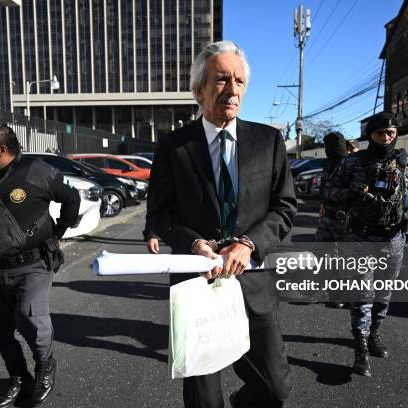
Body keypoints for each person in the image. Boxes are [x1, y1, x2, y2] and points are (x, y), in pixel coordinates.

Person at [146, 40, 297, 408]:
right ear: (199, 90)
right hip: (198, 284)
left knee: (275, 390)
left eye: (239, 81)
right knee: (203, 399)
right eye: (222, 80)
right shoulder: (173, 146)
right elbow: (159, 216)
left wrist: (248, 243)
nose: (232, 90)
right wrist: (193, 242)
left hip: (253, 282)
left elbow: (285, 206)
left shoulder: (268, 140)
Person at [324, 112, 408, 377]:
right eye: (379, 134)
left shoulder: (405, 163)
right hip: (359, 237)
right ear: (370, 135)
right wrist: (352, 193)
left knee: (384, 293)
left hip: (393, 239)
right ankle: (360, 349)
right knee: (362, 295)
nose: (386, 139)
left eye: (391, 133)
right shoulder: (352, 162)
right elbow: (328, 192)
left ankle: (374, 334)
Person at [0, 121, 80, 407]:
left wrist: (58, 233)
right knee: (0, 328)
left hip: (33, 264)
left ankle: (45, 366)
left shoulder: (37, 171)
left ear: (2, 149)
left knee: (31, 318)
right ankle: (18, 377)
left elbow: (71, 199)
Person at [316, 132, 349, 308]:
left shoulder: (350, 164)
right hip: (327, 216)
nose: (331, 150)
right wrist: (323, 205)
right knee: (323, 253)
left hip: (345, 218)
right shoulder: (329, 164)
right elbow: (324, 186)